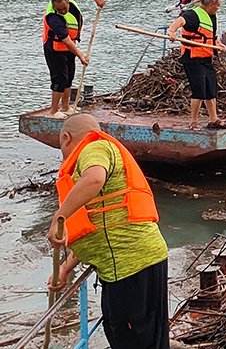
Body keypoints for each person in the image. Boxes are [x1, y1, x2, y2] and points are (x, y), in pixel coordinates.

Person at [47, 113, 169, 349]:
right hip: (125, 267)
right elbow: (96, 227)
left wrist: (59, 216)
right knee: (125, 335)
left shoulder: (93, 147)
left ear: (66, 137)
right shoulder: (99, 152)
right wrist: (64, 268)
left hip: (132, 266)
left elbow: (94, 179)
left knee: (136, 340)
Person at [167, 0, 226, 130]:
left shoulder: (212, 16)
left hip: (206, 58)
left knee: (211, 89)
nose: (218, 8)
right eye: (218, 6)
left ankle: (213, 119)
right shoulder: (193, 14)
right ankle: (193, 122)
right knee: (199, 91)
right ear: (211, 5)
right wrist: (171, 32)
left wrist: (219, 44)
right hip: (193, 59)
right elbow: (180, 21)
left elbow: (211, 36)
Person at [42, 0, 105, 118]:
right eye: (60, 9)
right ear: (54, 7)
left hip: (69, 48)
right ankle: (53, 111)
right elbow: (67, 41)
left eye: (65, 8)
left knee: (69, 76)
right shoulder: (53, 18)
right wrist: (81, 56)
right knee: (60, 78)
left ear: (67, 1)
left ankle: (66, 107)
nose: (63, 11)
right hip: (55, 49)